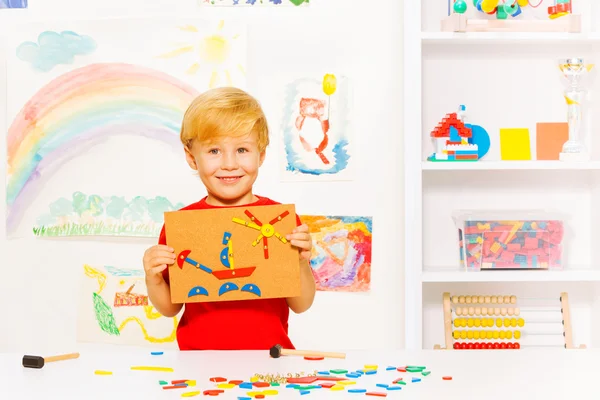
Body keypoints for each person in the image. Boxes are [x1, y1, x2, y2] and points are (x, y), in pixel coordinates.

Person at [142, 87, 316, 351]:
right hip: (198, 362)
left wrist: (302, 263)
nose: (229, 164)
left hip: (268, 359)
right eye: (214, 151)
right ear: (192, 158)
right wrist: (153, 278)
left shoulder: (280, 220)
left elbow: (301, 304)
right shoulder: (182, 225)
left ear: (262, 154)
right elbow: (169, 308)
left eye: (242, 150)